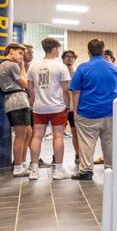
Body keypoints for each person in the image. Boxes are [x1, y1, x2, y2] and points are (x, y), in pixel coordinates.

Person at [69, 39, 117, 181]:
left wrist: (75, 111)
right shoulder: (113, 68)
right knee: (109, 141)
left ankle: (86, 171)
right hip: (110, 111)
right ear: (103, 50)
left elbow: (76, 91)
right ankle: (110, 168)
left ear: (88, 51)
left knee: (87, 142)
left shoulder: (82, 68)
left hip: (88, 112)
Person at [27, 37, 72, 180]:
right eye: (58, 48)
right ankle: (58, 171)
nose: (59, 51)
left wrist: (34, 101)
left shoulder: (34, 66)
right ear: (54, 49)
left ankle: (34, 170)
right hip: (57, 107)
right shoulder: (61, 67)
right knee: (58, 137)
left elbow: (30, 87)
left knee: (37, 136)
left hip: (39, 107)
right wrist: (68, 105)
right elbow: (66, 90)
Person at [0, 43, 32, 177]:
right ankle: (18, 166)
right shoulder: (10, 65)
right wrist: (22, 66)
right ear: (11, 51)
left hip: (15, 101)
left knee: (28, 132)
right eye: (20, 53)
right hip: (17, 102)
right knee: (20, 136)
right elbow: (25, 83)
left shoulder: (3, 65)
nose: (22, 56)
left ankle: (21, 163)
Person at [62, 50, 80, 165]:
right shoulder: (59, 70)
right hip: (60, 106)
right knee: (58, 133)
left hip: (73, 108)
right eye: (67, 57)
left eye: (72, 57)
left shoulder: (77, 72)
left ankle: (78, 154)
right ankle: (56, 157)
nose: (69, 59)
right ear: (63, 58)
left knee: (75, 132)